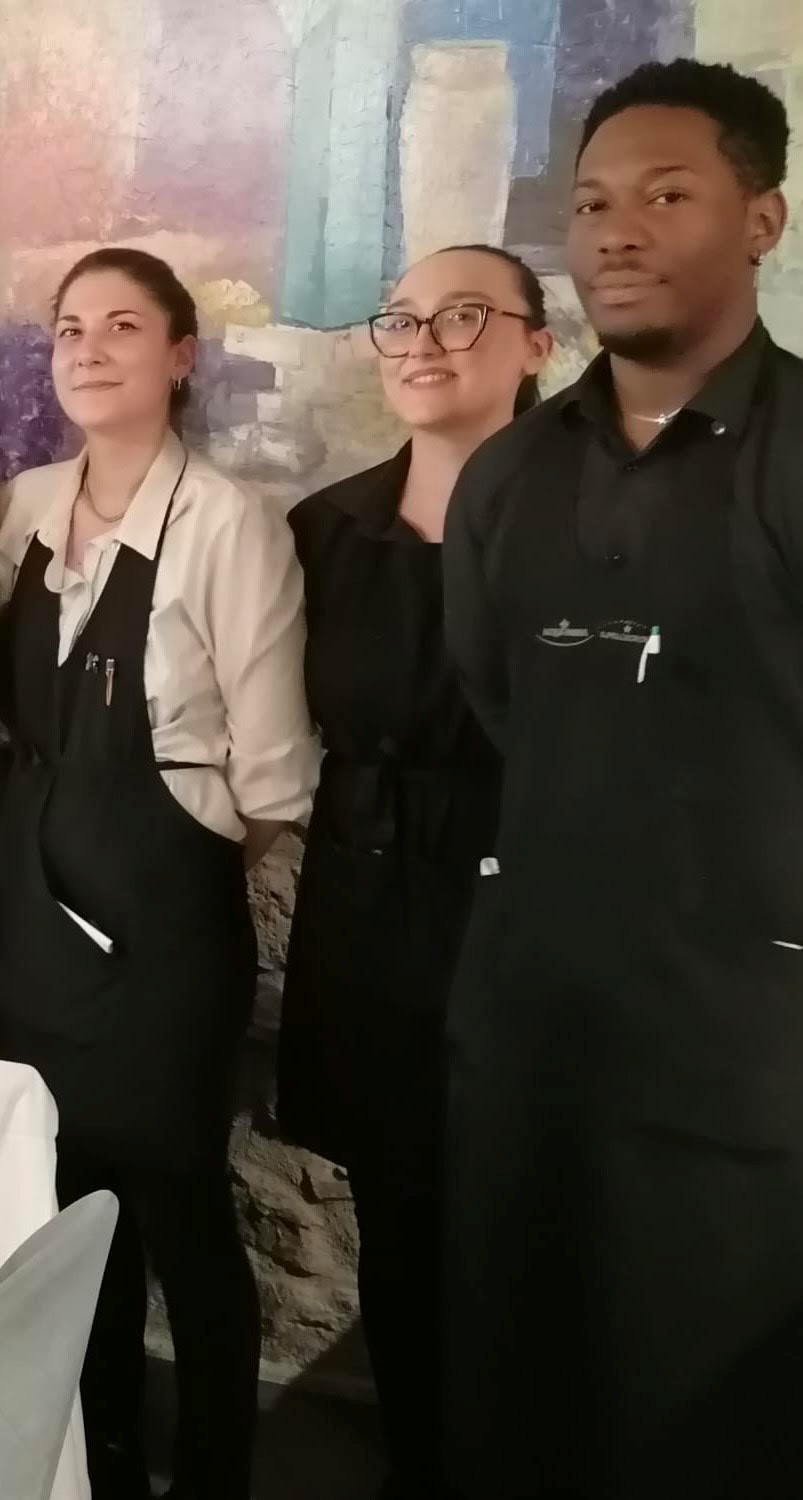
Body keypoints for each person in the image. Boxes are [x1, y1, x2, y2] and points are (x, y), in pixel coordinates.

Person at [442, 59, 803, 1500]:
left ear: (761, 218)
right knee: (513, 1414)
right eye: (590, 204)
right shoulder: (508, 476)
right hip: (530, 1044)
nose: (615, 231)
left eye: (665, 194)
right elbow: (502, 704)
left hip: (741, 1073)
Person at [0, 247, 318, 1500]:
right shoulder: (24, 508)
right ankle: (101, 1458)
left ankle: (217, 1474)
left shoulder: (230, 524)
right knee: (65, 1211)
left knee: (180, 1212)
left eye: (123, 326)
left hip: (162, 948)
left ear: (181, 355)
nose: (88, 349)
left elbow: (274, 782)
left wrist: (162, 875)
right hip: (29, 933)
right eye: (71, 327)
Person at [277, 245, 552, 1500]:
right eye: (400, 319)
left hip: (530, 907)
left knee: (527, 1213)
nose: (424, 342)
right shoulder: (324, 530)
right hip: (366, 903)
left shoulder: (593, 524)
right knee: (393, 1208)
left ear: (536, 344)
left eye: (462, 316)